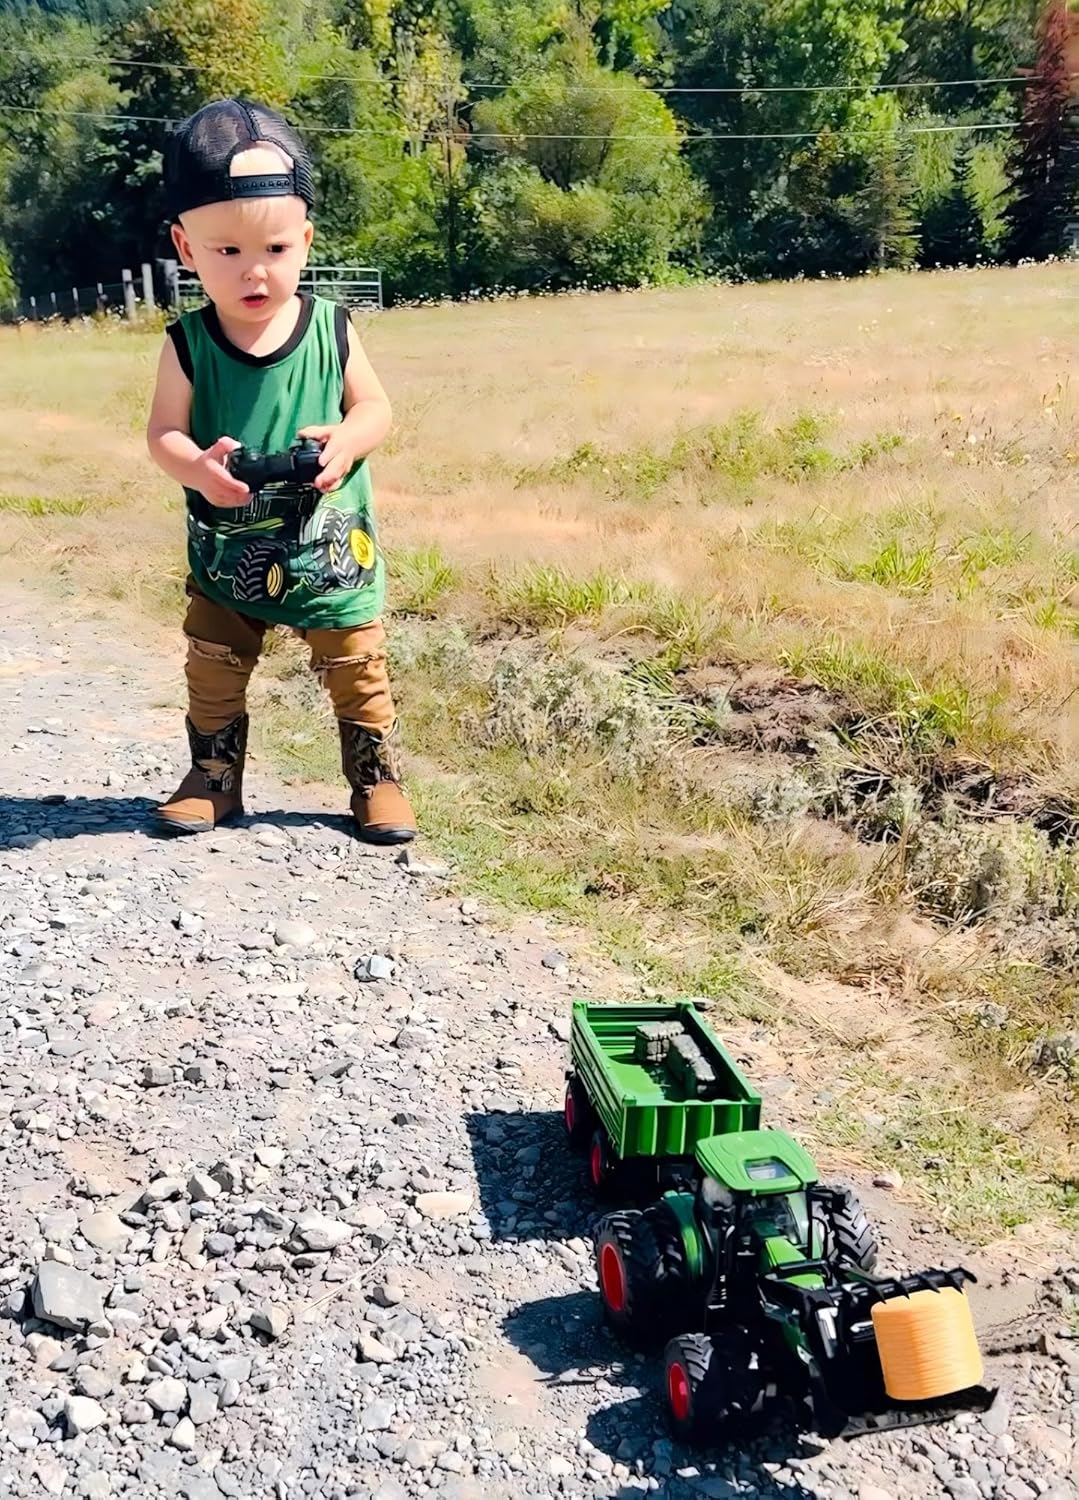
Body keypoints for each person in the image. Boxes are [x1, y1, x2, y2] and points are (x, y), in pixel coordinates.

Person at [146, 97, 415, 845]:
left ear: (304, 238)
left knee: (357, 664)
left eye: (273, 250)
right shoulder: (188, 343)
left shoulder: (330, 325)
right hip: (228, 549)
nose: (253, 272)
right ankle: (213, 778)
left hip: (331, 549)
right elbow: (162, 432)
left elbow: (377, 409)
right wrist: (196, 467)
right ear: (186, 246)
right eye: (225, 252)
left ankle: (374, 779)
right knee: (214, 664)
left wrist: (347, 439)